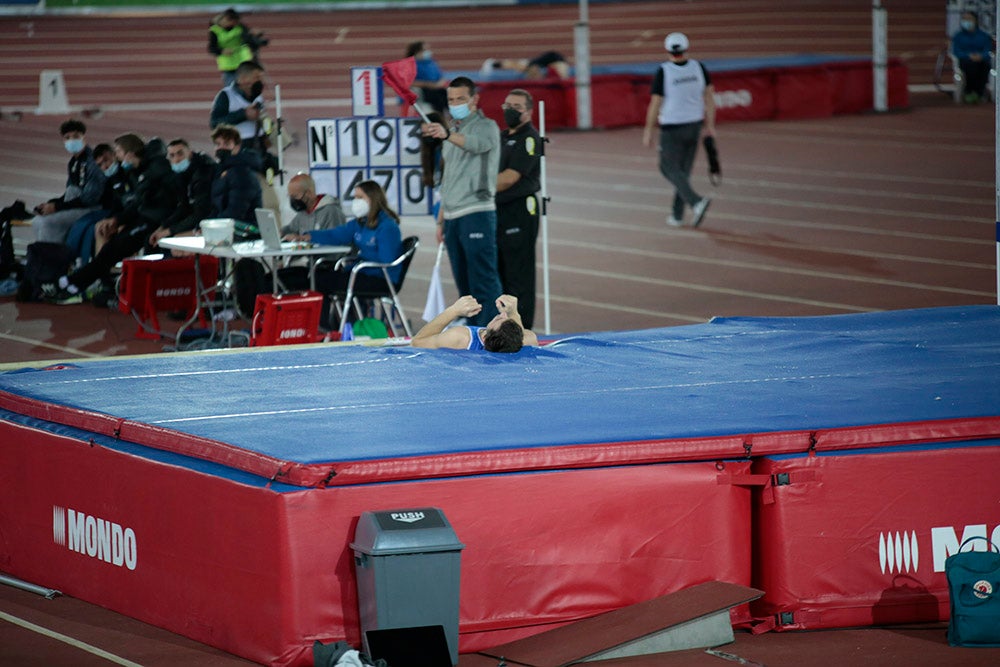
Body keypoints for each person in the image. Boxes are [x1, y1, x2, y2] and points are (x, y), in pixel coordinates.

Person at [42, 134, 178, 305]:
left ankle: (75, 284)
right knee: (110, 247)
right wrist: (117, 220)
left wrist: (118, 220)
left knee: (114, 248)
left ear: (129, 152)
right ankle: (78, 283)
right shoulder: (136, 171)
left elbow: (141, 202)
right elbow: (135, 204)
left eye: (118, 151)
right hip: (146, 217)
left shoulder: (153, 168)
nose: (118, 156)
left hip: (156, 220)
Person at [421, 76, 503, 328]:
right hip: (454, 216)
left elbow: (476, 145)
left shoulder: (486, 127)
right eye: (451, 99)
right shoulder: (452, 131)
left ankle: (494, 330)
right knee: (464, 282)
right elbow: (448, 179)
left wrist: (447, 135)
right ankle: (474, 330)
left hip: (476, 210)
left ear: (474, 100)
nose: (455, 103)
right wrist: (441, 220)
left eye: (460, 99)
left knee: (484, 279)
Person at [284, 180, 403, 329]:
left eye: (360, 197)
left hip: (382, 278)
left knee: (321, 280)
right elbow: (336, 235)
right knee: (317, 277)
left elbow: (386, 262)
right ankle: (328, 326)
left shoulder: (387, 227)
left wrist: (358, 265)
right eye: (354, 197)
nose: (355, 202)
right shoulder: (360, 223)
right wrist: (307, 236)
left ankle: (327, 327)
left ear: (373, 199)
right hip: (361, 272)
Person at [642, 32, 715, 228]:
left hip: (672, 128)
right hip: (694, 126)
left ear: (667, 50)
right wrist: (711, 124)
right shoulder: (698, 68)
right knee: (682, 172)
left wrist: (648, 130)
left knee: (668, 168)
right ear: (686, 48)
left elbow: (655, 103)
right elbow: (709, 96)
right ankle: (677, 215)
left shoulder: (664, 71)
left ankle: (696, 201)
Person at [495, 89, 542, 330]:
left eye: (517, 107)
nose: (510, 110)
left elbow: (509, 178)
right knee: (501, 274)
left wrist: (477, 187)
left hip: (520, 214)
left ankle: (522, 330)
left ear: (529, 112)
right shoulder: (501, 137)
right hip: (499, 213)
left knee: (518, 277)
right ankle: (504, 328)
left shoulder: (530, 138)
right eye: (507, 105)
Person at [31, 119, 106, 244]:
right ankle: (41, 259)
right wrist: (50, 204)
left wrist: (57, 207)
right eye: (67, 138)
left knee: (48, 223)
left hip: (94, 208)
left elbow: (90, 198)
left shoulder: (93, 161)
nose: (72, 140)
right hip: (79, 206)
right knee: (37, 220)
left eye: (76, 136)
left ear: (84, 137)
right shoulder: (73, 163)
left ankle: (55, 261)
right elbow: (69, 193)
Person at [64, 143, 129, 265]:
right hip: (111, 212)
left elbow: (130, 203)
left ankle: (91, 266)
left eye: (107, 161)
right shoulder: (109, 177)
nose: (105, 166)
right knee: (82, 225)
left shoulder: (127, 173)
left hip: (126, 215)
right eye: (100, 165)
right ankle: (79, 262)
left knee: (94, 228)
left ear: (114, 156)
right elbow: (115, 202)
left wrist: (118, 220)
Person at [148, 138, 216, 248]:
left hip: (212, 220)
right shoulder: (182, 174)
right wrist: (163, 227)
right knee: (153, 237)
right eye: (172, 156)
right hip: (200, 218)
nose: (176, 159)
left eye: (180, 154)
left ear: (190, 153)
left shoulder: (203, 173)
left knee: (175, 242)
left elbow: (201, 212)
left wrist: (168, 231)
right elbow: (184, 206)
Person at [412, 294, 537, 353]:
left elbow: (417, 342)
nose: (503, 314)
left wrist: (454, 310)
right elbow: (523, 337)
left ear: (484, 337)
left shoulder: (461, 338)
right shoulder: (527, 341)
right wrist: (514, 313)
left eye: (499, 319)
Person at [210, 124, 263, 233]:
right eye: (218, 144)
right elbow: (216, 207)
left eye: (226, 144)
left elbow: (236, 212)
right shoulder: (221, 170)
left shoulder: (242, 173)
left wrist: (211, 226)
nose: (221, 148)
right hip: (227, 228)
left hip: (244, 233)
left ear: (237, 147)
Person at [207, 8, 268, 86]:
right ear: (227, 19)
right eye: (234, 21)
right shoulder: (215, 31)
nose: (236, 23)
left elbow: (248, 38)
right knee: (231, 88)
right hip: (228, 65)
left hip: (243, 62)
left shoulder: (239, 26)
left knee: (250, 85)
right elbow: (211, 48)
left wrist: (256, 36)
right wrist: (222, 51)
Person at [951, 11, 994, 103]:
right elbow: (956, 51)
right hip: (965, 61)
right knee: (971, 67)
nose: (966, 21)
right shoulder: (958, 36)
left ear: (976, 21)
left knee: (984, 66)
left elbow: (988, 50)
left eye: (969, 19)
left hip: (981, 61)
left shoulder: (984, 36)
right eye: (964, 19)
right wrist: (968, 56)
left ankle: (980, 92)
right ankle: (969, 91)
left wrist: (981, 56)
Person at [406, 40, 448, 114]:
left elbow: (441, 77)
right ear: (417, 51)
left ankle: (449, 117)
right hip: (423, 90)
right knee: (437, 98)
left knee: (446, 94)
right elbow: (409, 82)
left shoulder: (431, 62)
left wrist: (439, 84)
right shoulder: (411, 65)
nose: (428, 52)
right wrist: (428, 84)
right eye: (425, 50)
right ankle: (438, 117)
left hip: (437, 89)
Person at [480, 51, 571, 80]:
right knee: (521, 66)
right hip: (553, 59)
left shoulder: (556, 71)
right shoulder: (558, 71)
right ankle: (493, 64)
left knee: (521, 66)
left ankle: (494, 64)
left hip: (554, 60)